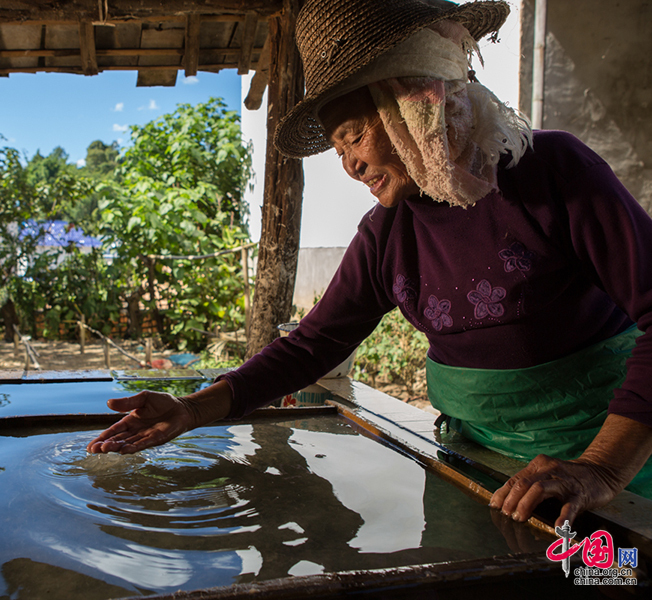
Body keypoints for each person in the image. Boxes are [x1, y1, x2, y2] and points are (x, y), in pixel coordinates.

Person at [88, 0, 652, 529]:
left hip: (609, 469)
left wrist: (601, 468)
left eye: (354, 135)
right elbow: (312, 345)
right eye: (338, 150)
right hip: (480, 471)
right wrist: (190, 409)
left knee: (608, 578)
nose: (351, 166)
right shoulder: (389, 232)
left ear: (415, 99)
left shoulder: (551, 174)